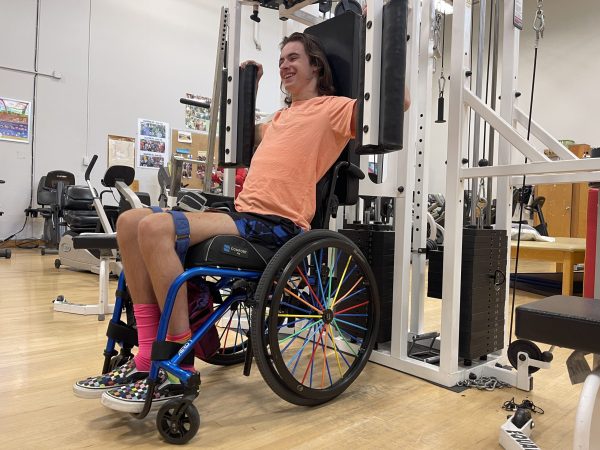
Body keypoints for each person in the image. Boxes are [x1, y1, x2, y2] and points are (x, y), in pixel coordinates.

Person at [72, 31, 359, 414]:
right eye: (281, 61)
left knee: (156, 228)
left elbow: (396, 105)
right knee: (129, 222)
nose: (285, 66)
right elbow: (235, 135)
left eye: (293, 58)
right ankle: (145, 358)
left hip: (278, 225)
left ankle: (176, 360)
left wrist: (386, 32)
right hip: (242, 215)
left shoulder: (333, 109)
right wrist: (247, 92)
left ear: (316, 66)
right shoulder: (278, 119)